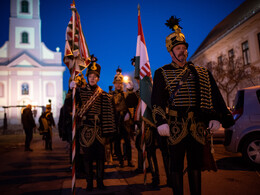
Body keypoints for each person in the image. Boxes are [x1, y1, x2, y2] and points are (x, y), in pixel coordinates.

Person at [151, 16, 235, 195]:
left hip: (197, 125)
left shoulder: (201, 73)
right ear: (171, 52)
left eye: (184, 48)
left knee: (195, 165)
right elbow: (157, 100)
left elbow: (213, 95)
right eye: (178, 48)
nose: (182, 51)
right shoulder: (161, 73)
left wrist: (215, 116)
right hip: (174, 126)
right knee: (176, 165)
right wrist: (161, 122)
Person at [70, 56, 116, 191]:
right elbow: (70, 106)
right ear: (87, 77)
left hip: (100, 131)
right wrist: (70, 90)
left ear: (98, 78)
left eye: (95, 76)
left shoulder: (103, 95)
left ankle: (100, 183)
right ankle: (89, 183)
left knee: (101, 158)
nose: (92, 78)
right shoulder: (79, 92)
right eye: (90, 76)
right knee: (88, 159)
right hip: (86, 130)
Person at [111, 67, 134, 168]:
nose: (118, 85)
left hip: (125, 120)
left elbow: (131, 104)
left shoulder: (126, 94)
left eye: (120, 83)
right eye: (116, 83)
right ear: (114, 84)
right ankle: (120, 160)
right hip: (116, 120)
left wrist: (130, 114)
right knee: (116, 142)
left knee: (127, 141)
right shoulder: (110, 95)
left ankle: (129, 160)